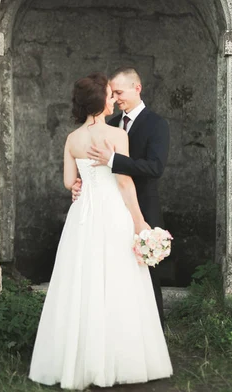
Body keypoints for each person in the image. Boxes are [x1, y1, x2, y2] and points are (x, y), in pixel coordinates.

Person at [29, 72, 172, 390]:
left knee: (82, 282)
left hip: (82, 216)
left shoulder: (72, 139)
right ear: (100, 102)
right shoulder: (116, 136)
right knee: (118, 283)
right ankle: (116, 358)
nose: (114, 100)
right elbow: (124, 182)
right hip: (112, 214)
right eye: (110, 95)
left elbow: (69, 182)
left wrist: (79, 185)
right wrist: (139, 221)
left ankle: (78, 359)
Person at [73, 67, 170, 327]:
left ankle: (154, 330)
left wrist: (115, 160)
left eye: (119, 92)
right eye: (111, 94)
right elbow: (94, 167)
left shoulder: (156, 123)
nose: (115, 99)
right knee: (116, 273)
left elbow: (155, 168)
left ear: (137, 88)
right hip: (111, 208)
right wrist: (79, 183)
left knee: (147, 271)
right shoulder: (111, 124)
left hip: (143, 204)